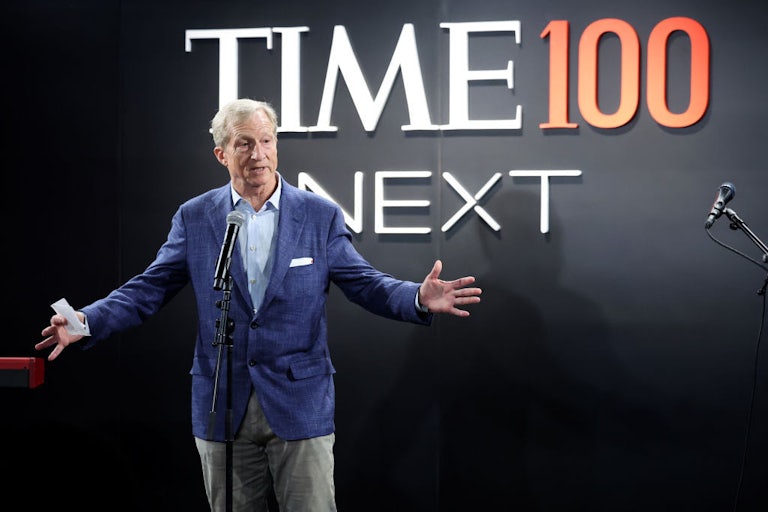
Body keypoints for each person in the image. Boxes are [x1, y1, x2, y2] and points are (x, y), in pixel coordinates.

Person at [36, 98, 482, 512]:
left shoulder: (317, 214)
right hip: (221, 403)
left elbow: (363, 282)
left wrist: (416, 297)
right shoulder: (196, 216)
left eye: (267, 140)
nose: (258, 153)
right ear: (222, 154)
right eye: (244, 143)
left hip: (298, 401)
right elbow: (148, 288)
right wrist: (86, 320)